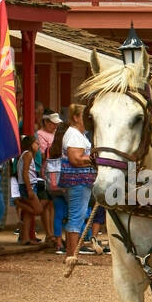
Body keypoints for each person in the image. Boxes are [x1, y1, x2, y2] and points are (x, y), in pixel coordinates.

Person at [59, 103, 96, 258]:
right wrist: (95, 159)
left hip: (80, 181)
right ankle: (72, 255)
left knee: (76, 216)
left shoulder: (77, 134)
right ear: (75, 117)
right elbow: (75, 159)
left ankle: (71, 253)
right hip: (78, 181)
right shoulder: (74, 134)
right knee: (76, 217)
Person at [15, 135, 46, 246]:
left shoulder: (27, 155)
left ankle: (26, 238)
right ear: (30, 145)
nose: (38, 145)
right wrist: (29, 189)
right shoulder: (28, 154)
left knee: (29, 214)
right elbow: (25, 173)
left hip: (28, 185)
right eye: (36, 143)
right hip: (28, 185)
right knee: (38, 210)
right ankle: (18, 203)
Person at [45, 121, 68, 255]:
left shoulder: (51, 148)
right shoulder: (67, 147)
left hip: (52, 186)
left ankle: (58, 243)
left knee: (58, 214)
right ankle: (71, 242)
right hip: (65, 183)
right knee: (71, 214)